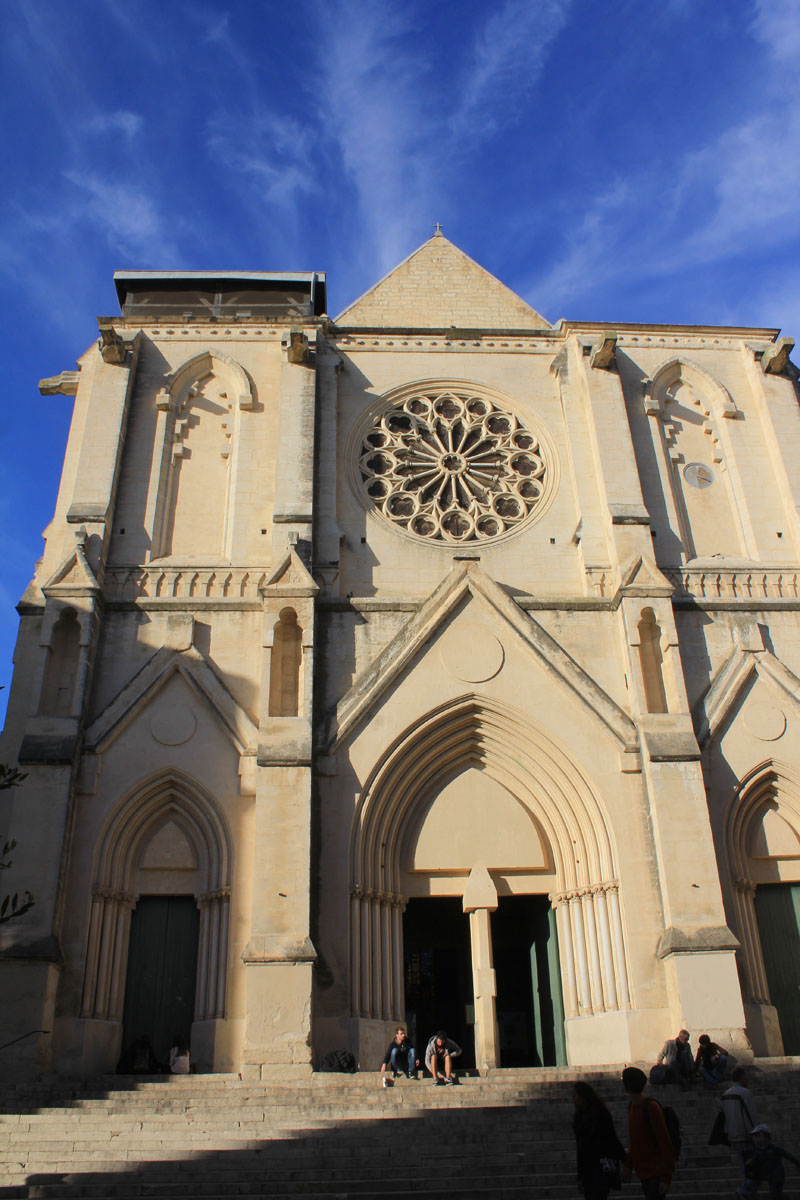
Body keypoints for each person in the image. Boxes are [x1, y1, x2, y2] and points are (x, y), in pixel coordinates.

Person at [622, 1065, 676, 1198]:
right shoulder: (632, 1107)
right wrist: (628, 1165)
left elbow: (664, 1141)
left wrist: (665, 1177)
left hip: (656, 1171)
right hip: (643, 1171)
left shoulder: (651, 1107)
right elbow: (634, 1140)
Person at [572, 1081, 625, 1200]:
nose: (573, 1099)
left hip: (600, 1165)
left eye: (575, 1095)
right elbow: (579, 1148)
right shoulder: (578, 1117)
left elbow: (612, 1138)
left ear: (583, 1096)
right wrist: (580, 1177)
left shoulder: (600, 1113)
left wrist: (625, 1161)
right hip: (587, 1168)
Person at [739, 1124, 800, 1198]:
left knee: (774, 1194)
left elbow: (787, 1155)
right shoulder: (758, 1151)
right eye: (755, 1137)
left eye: (759, 1136)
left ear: (767, 1137)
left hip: (777, 1176)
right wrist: (749, 1163)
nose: (756, 1139)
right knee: (777, 1194)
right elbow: (754, 1160)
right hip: (768, 1175)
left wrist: (797, 1163)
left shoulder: (773, 1148)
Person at [723, 1067, 758, 1190]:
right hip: (746, 1135)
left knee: (742, 1165)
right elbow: (750, 1115)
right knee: (751, 1166)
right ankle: (746, 1190)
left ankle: (745, 1189)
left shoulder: (726, 1094)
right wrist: (755, 1133)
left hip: (733, 1135)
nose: (747, 1079)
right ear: (741, 1077)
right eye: (746, 1076)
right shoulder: (745, 1093)